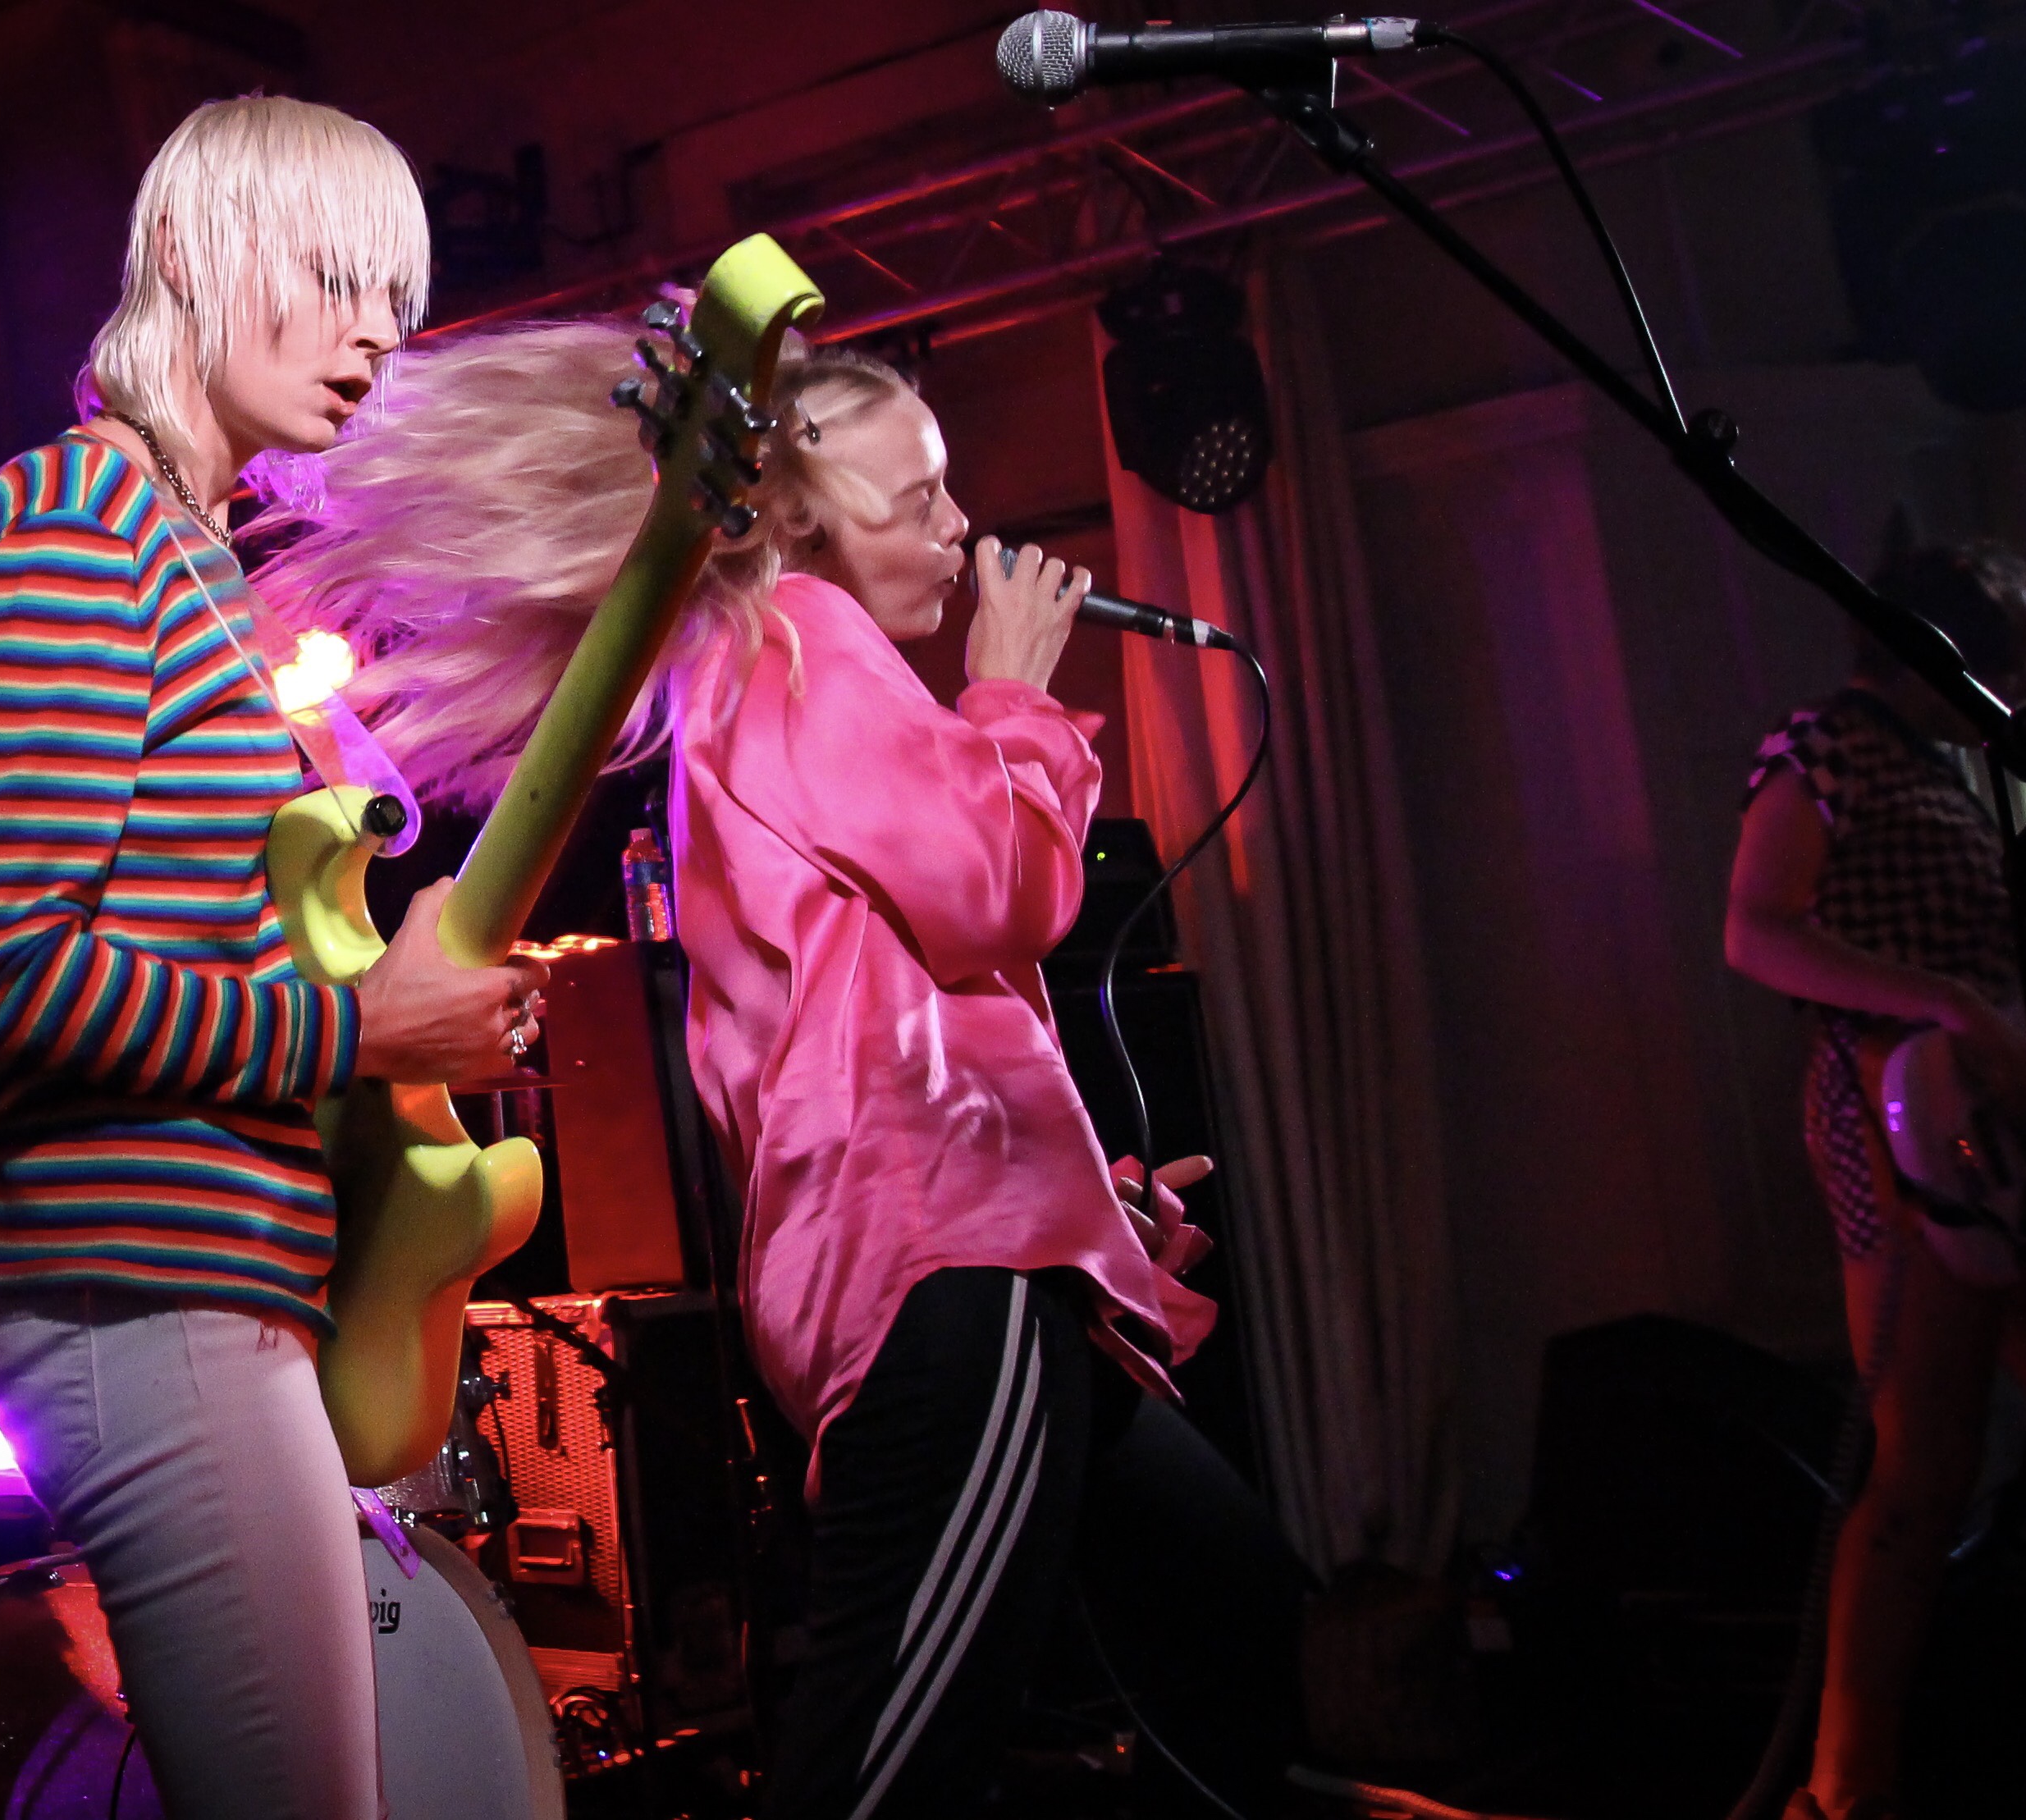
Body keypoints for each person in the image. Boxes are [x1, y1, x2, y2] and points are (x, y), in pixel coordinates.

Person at [261, 322, 1312, 1818]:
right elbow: (997, 889)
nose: (961, 526)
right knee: (889, 1758)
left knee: (1229, 1598)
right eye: (919, 497)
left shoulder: (791, 677)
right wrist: (1013, 694)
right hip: (946, 1277)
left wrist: (1083, 1203)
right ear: (806, 523)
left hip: (982, 1250)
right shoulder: (801, 642)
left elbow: (895, 1016)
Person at [0, 95, 546, 1820]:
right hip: (138, 1292)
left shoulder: (194, 563)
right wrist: (360, 1032)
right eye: (338, 279)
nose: (375, 337)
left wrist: (400, 1013)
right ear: (193, 255)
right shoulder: (76, 520)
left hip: (215, 1290)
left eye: (395, 301)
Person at [1724, 540, 2026, 1820]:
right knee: (1922, 1466)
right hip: (1896, 1127)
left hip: (2008, 1148)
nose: (2010, 691)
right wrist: (1949, 1005)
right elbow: (1754, 927)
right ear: (1935, 651)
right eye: (1995, 661)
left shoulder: (1950, 779)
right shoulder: (1821, 748)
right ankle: (1843, 1789)